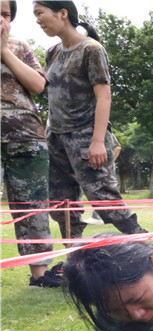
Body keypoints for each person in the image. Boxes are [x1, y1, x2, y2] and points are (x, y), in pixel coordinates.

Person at [33, 1, 146, 241]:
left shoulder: (91, 49)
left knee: (104, 198)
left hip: (86, 136)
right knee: (61, 201)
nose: (37, 20)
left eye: (40, 13)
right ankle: (74, 254)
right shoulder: (52, 52)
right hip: (56, 137)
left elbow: (104, 96)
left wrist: (97, 141)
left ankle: (147, 245)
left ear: (62, 13)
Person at [1, 0, 62, 287]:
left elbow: (39, 85)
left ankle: (39, 275)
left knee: (32, 206)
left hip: (26, 136)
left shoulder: (19, 46)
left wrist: (3, 51)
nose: (1, 19)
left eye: (5, 14)